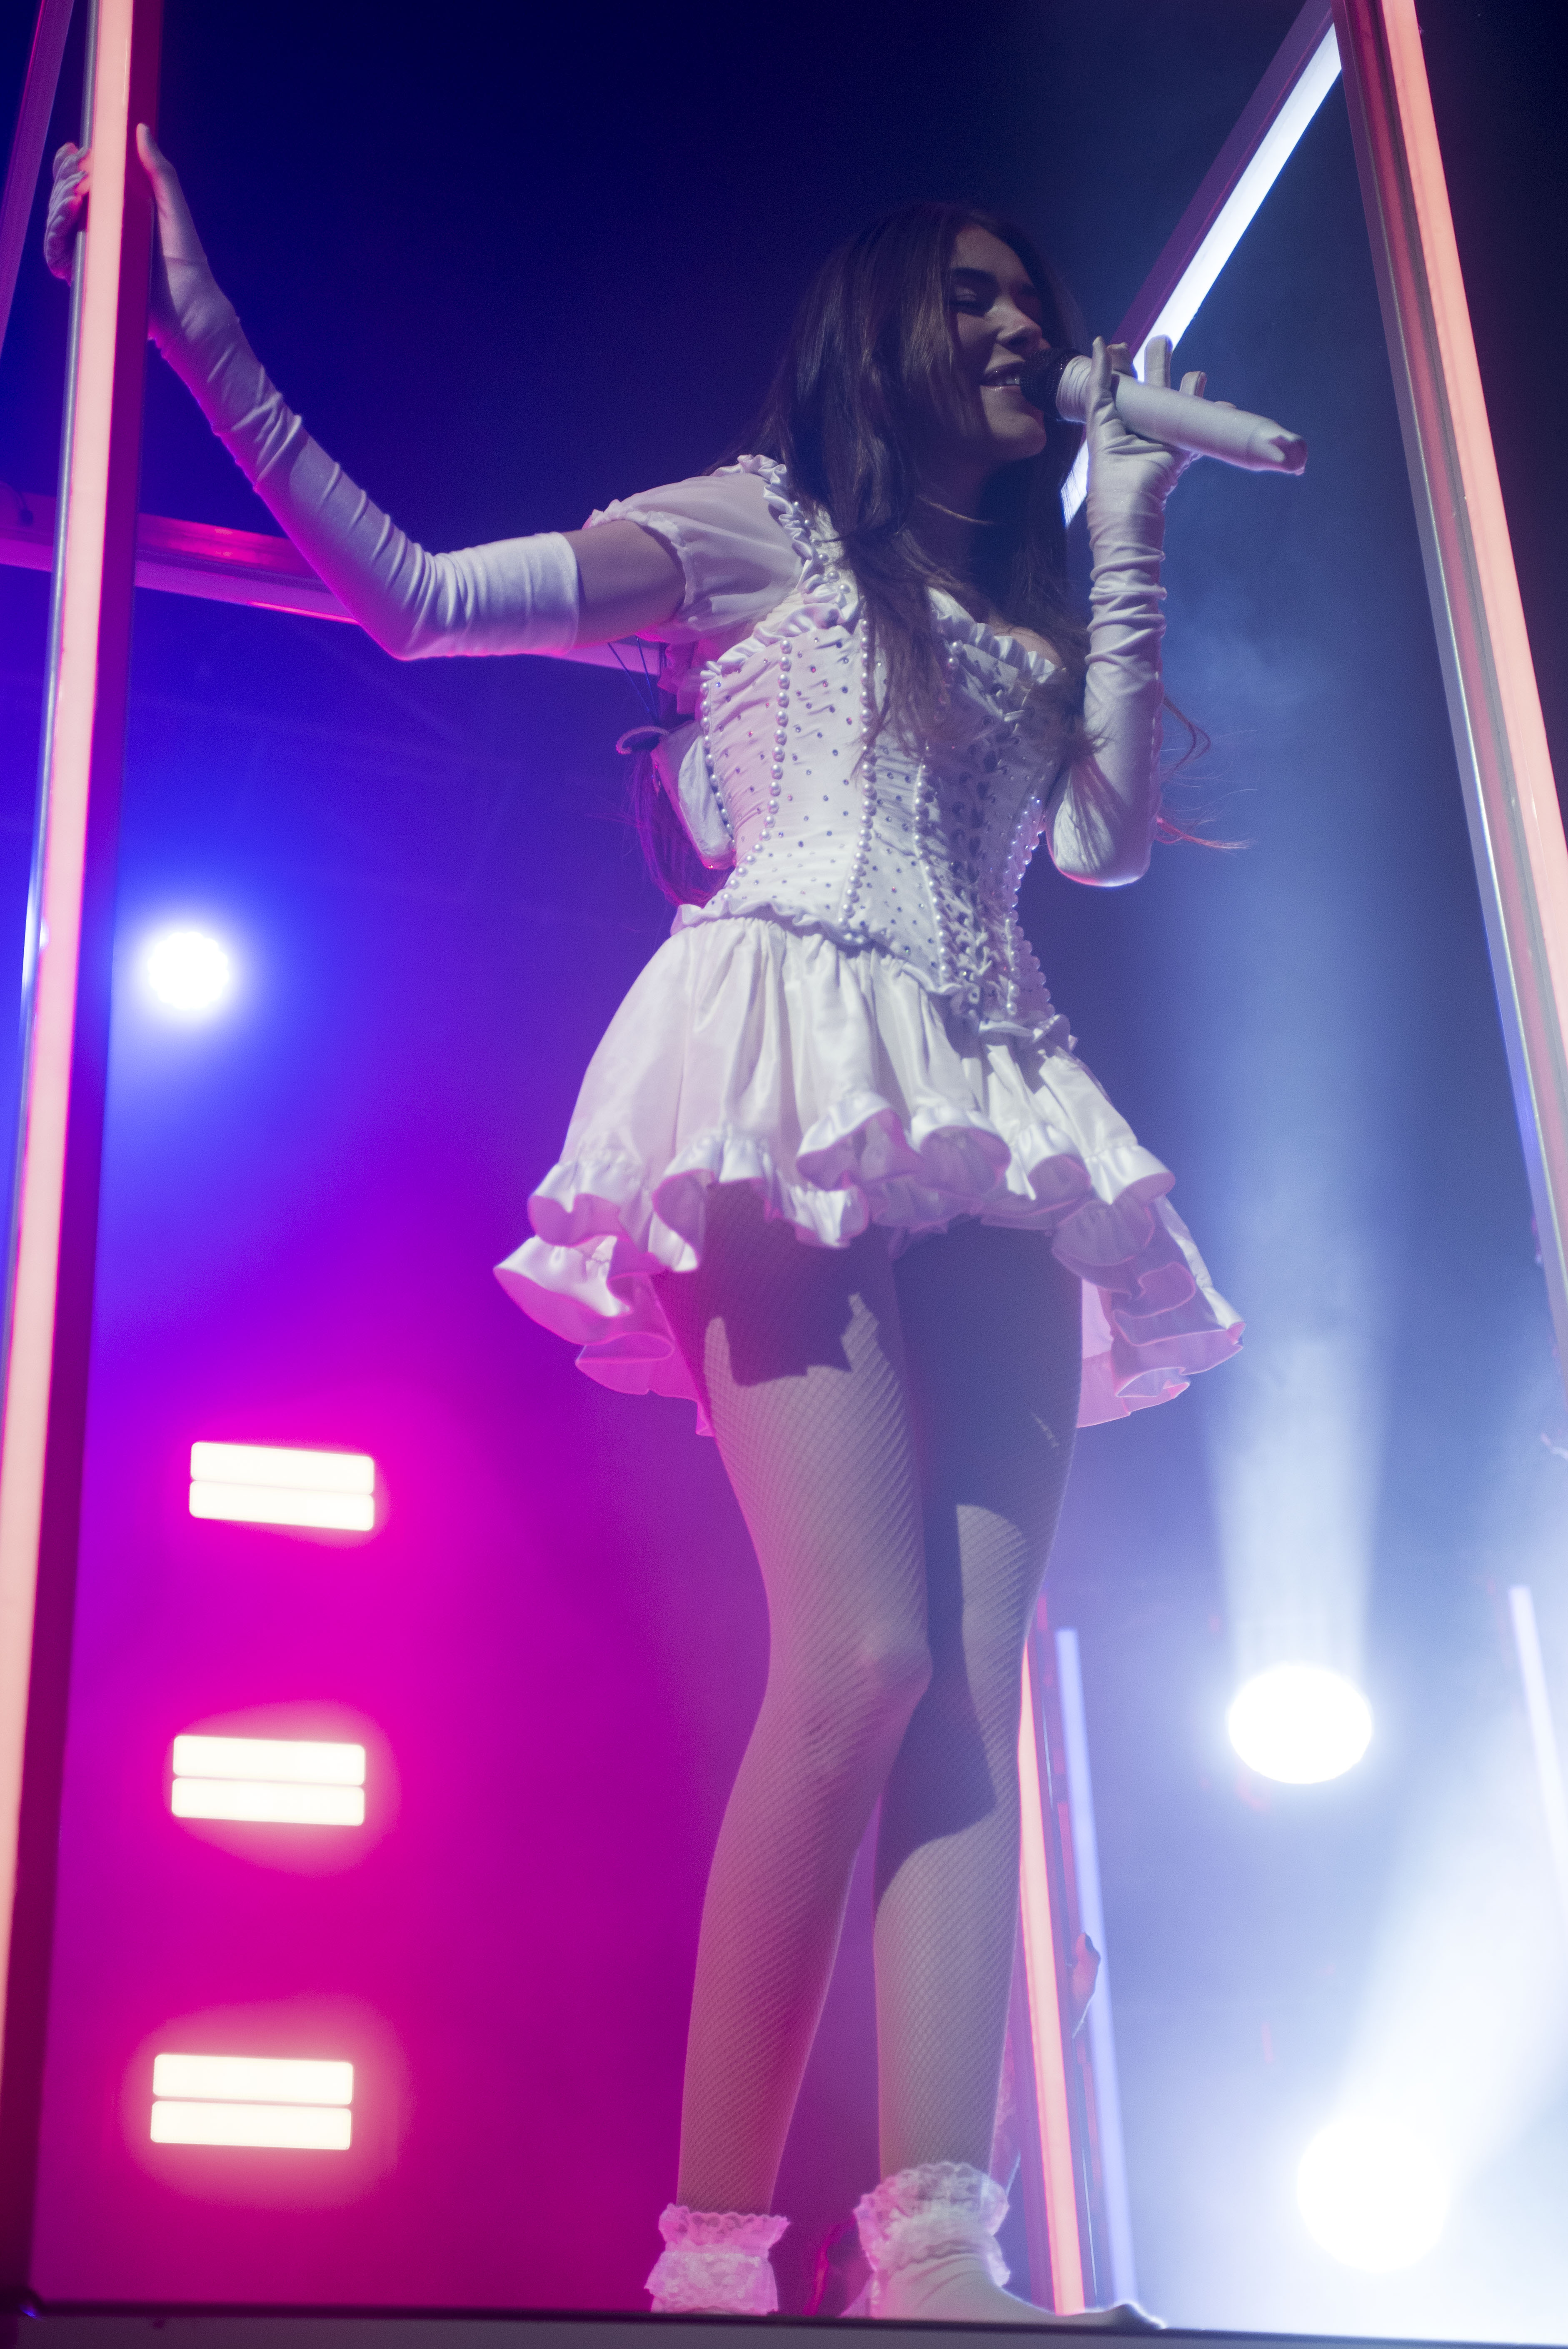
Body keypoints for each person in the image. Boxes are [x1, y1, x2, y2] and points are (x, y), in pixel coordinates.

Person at [47, 134, 1241, 2326]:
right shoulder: (755, 528)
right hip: (778, 1051)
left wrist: (1134, 516)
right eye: (969, 297)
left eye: (1029, 301)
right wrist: (191, 323)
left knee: (972, 1684)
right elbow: (416, 594)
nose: (1016, 328)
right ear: (878, 335)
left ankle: (936, 2241)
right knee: (861, 1655)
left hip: (995, 1083)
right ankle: (713, 2256)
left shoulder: (1027, 594)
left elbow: (1098, 844)